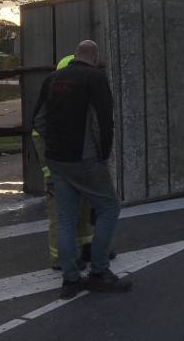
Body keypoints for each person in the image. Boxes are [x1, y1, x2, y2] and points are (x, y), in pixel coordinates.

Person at [33, 40, 131, 299]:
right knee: (110, 207)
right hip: (86, 160)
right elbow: (103, 121)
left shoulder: (52, 79)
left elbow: (38, 120)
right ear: (95, 57)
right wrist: (102, 155)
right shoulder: (95, 79)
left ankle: (70, 280)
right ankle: (99, 272)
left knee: (65, 219)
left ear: (75, 54)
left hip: (57, 159)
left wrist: (54, 146)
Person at [33, 54, 94, 272]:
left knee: (84, 206)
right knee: (61, 213)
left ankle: (88, 246)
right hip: (59, 173)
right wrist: (52, 177)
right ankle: (59, 258)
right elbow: (42, 141)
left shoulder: (65, 100)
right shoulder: (53, 107)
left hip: (73, 168)